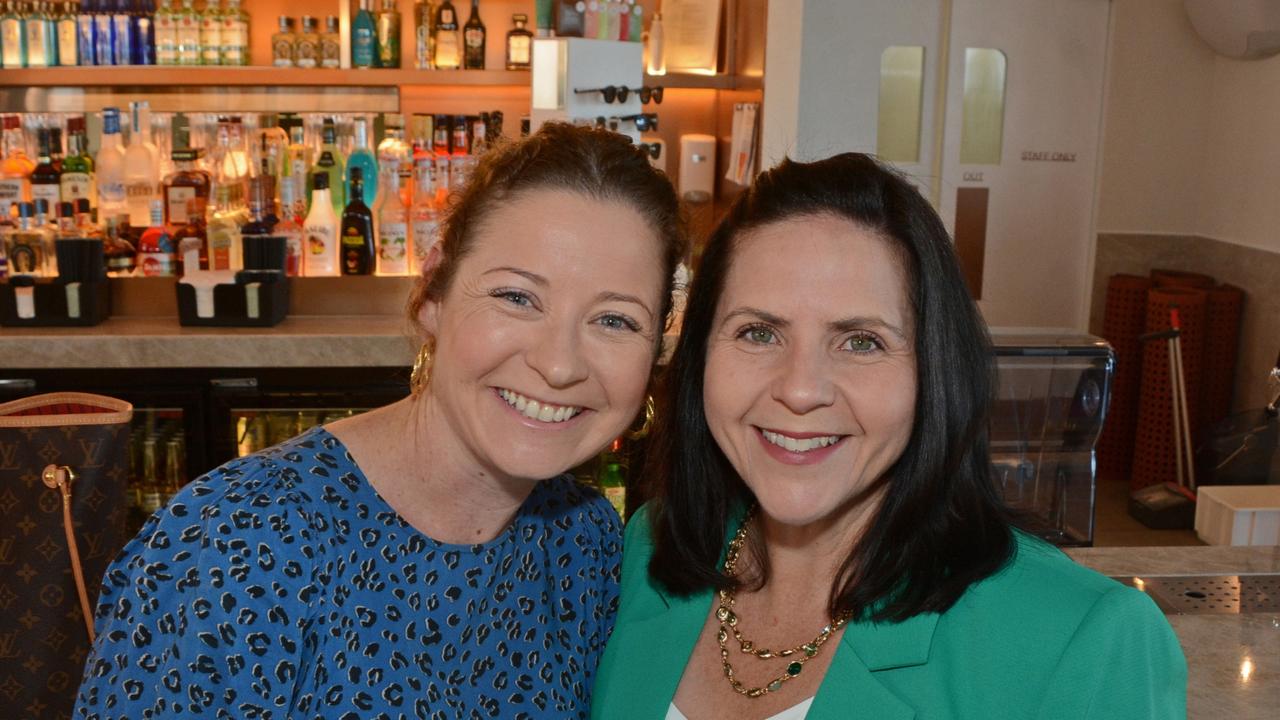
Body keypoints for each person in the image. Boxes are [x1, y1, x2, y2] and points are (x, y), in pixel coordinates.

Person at [74, 123, 685, 719]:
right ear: (433, 293)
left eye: (614, 321)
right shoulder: (229, 548)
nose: (558, 365)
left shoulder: (585, 544)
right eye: (516, 297)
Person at [592, 153, 1185, 719]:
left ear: (933, 370)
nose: (800, 390)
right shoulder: (649, 549)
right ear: (699, 357)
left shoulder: (1083, 641)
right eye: (759, 333)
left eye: (861, 341)